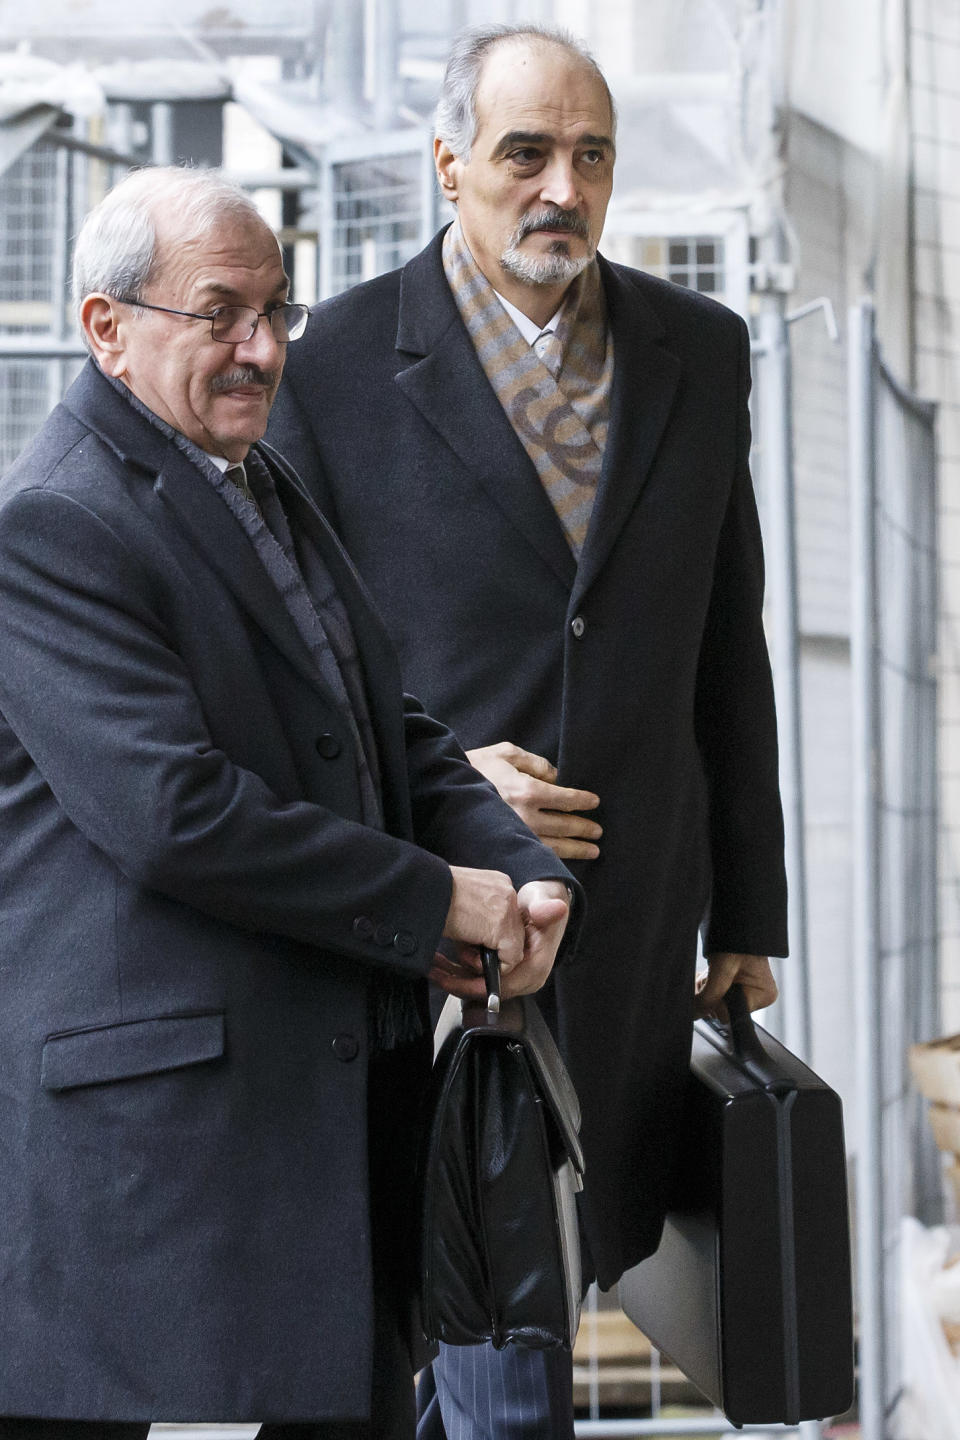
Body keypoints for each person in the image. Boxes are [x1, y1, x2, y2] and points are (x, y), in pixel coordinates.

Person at [266, 21, 789, 1440]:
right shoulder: (330, 367)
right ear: (449, 164)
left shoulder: (702, 348)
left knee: (548, 1281)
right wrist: (429, 782)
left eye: (591, 154)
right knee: (392, 1313)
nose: (562, 184)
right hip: (420, 930)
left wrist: (750, 901)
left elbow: (723, 640)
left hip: (624, 932)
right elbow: (293, 666)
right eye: (525, 153)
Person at [0, 165, 580, 1440]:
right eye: (223, 312)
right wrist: (437, 897)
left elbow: (390, 726)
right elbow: (176, 813)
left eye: (279, 312)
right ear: (109, 328)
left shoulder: (251, 479)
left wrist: (519, 870)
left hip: (306, 1134)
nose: (263, 348)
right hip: (169, 1176)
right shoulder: (54, 523)